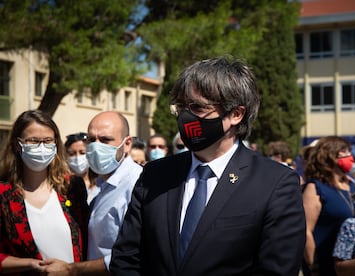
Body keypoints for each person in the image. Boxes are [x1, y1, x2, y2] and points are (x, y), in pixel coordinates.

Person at [110, 57, 306, 275]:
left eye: (198, 107)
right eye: (182, 107)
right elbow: (126, 259)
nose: (186, 117)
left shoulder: (274, 183)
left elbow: (276, 269)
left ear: (235, 114)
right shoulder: (155, 174)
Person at [40, 111, 143, 275]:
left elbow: (133, 256)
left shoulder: (137, 186)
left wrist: (71, 269)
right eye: (91, 140)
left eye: (105, 140)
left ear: (127, 143)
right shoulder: (102, 186)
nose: (96, 146)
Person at [0, 110, 87, 274]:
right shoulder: (3, 194)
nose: (41, 147)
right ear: (18, 145)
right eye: (33, 141)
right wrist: (31, 264)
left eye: (48, 141)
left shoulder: (72, 187)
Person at [302, 136, 355, 275]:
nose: (349, 156)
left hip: (354, 264)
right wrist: (313, 266)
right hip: (326, 265)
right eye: (344, 152)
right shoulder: (316, 188)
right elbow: (305, 230)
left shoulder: (352, 185)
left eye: (349, 151)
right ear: (329, 156)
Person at [65, 132, 99, 205]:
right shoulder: (62, 185)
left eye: (82, 153)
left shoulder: (100, 183)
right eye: (72, 154)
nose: (77, 158)